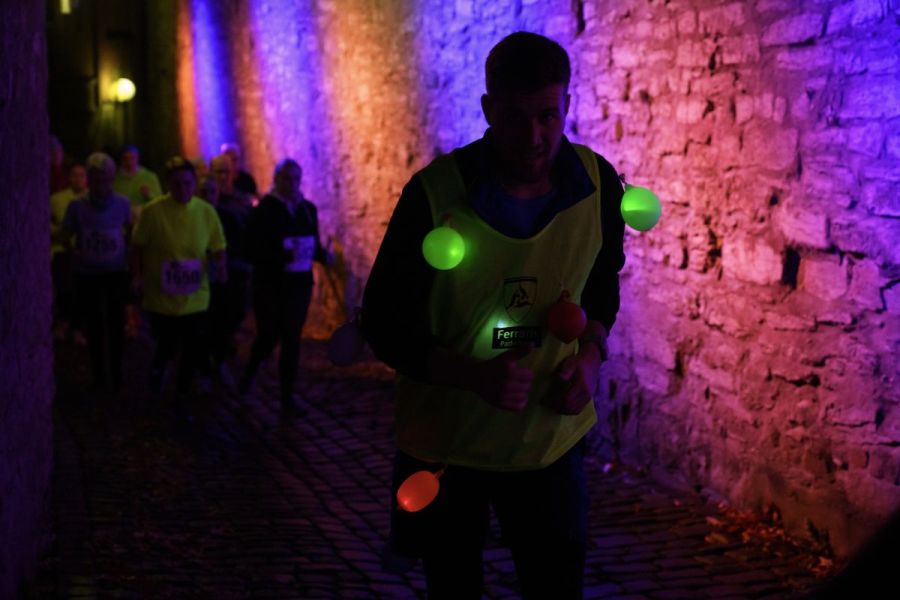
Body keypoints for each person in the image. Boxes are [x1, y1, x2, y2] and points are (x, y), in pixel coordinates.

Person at [361, 32, 626, 599]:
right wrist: (471, 375)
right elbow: (383, 324)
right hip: (449, 448)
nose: (534, 137)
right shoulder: (434, 196)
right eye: (515, 118)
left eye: (548, 116)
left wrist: (591, 355)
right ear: (487, 110)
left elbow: (603, 282)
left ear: (567, 104)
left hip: (549, 443)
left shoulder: (598, 186)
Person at [131, 157, 226, 404]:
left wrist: (220, 265)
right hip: (161, 296)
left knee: (192, 346)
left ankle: (182, 393)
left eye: (187, 183)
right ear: (167, 185)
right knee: (167, 344)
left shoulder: (206, 212)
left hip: (195, 295)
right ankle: (158, 369)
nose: (183, 189)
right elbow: (138, 246)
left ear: (194, 183)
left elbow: (218, 245)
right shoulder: (152, 212)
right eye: (176, 184)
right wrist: (137, 275)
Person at [240, 159, 330, 415]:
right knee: (268, 336)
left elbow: (312, 242)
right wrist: (278, 254)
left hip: (299, 285)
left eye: (296, 179)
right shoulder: (264, 210)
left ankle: (286, 398)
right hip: (270, 285)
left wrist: (322, 256)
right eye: (287, 179)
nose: (292, 184)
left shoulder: (307, 209)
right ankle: (251, 371)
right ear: (276, 179)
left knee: (291, 338)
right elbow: (250, 248)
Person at [59, 153, 132, 391]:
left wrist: (126, 253)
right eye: (97, 179)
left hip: (115, 273)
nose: (102, 185)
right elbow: (65, 235)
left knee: (116, 323)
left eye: (106, 179)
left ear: (112, 178)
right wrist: (74, 252)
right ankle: (100, 375)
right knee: (95, 325)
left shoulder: (122, 204)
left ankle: (117, 373)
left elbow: (131, 231)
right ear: (89, 180)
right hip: (87, 274)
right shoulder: (77, 206)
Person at [51, 163, 88, 341]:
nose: (78, 179)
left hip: (86, 252)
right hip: (63, 250)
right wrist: (59, 234)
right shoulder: (56, 200)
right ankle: (64, 323)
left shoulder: (93, 199)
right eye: (74, 175)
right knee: (64, 287)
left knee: (83, 291)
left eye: (82, 175)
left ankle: (78, 327)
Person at [113, 144, 163, 212]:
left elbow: (160, 202)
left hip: (145, 216)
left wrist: (149, 195)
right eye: (125, 158)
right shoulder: (114, 179)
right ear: (121, 160)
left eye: (132, 158)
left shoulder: (149, 177)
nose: (129, 162)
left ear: (137, 158)